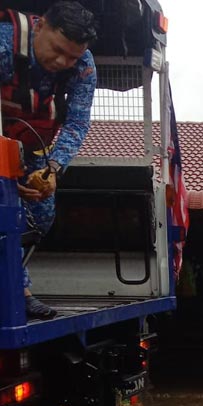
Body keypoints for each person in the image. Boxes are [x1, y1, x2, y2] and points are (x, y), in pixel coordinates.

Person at [1, 1, 97, 319]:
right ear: (40, 26)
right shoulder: (4, 44)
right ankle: (19, 290)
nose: (62, 61)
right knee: (5, 212)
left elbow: (77, 122)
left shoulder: (82, 65)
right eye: (57, 50)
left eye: (71, 55)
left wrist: (52, 168)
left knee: (40, 216)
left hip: (28, 149)